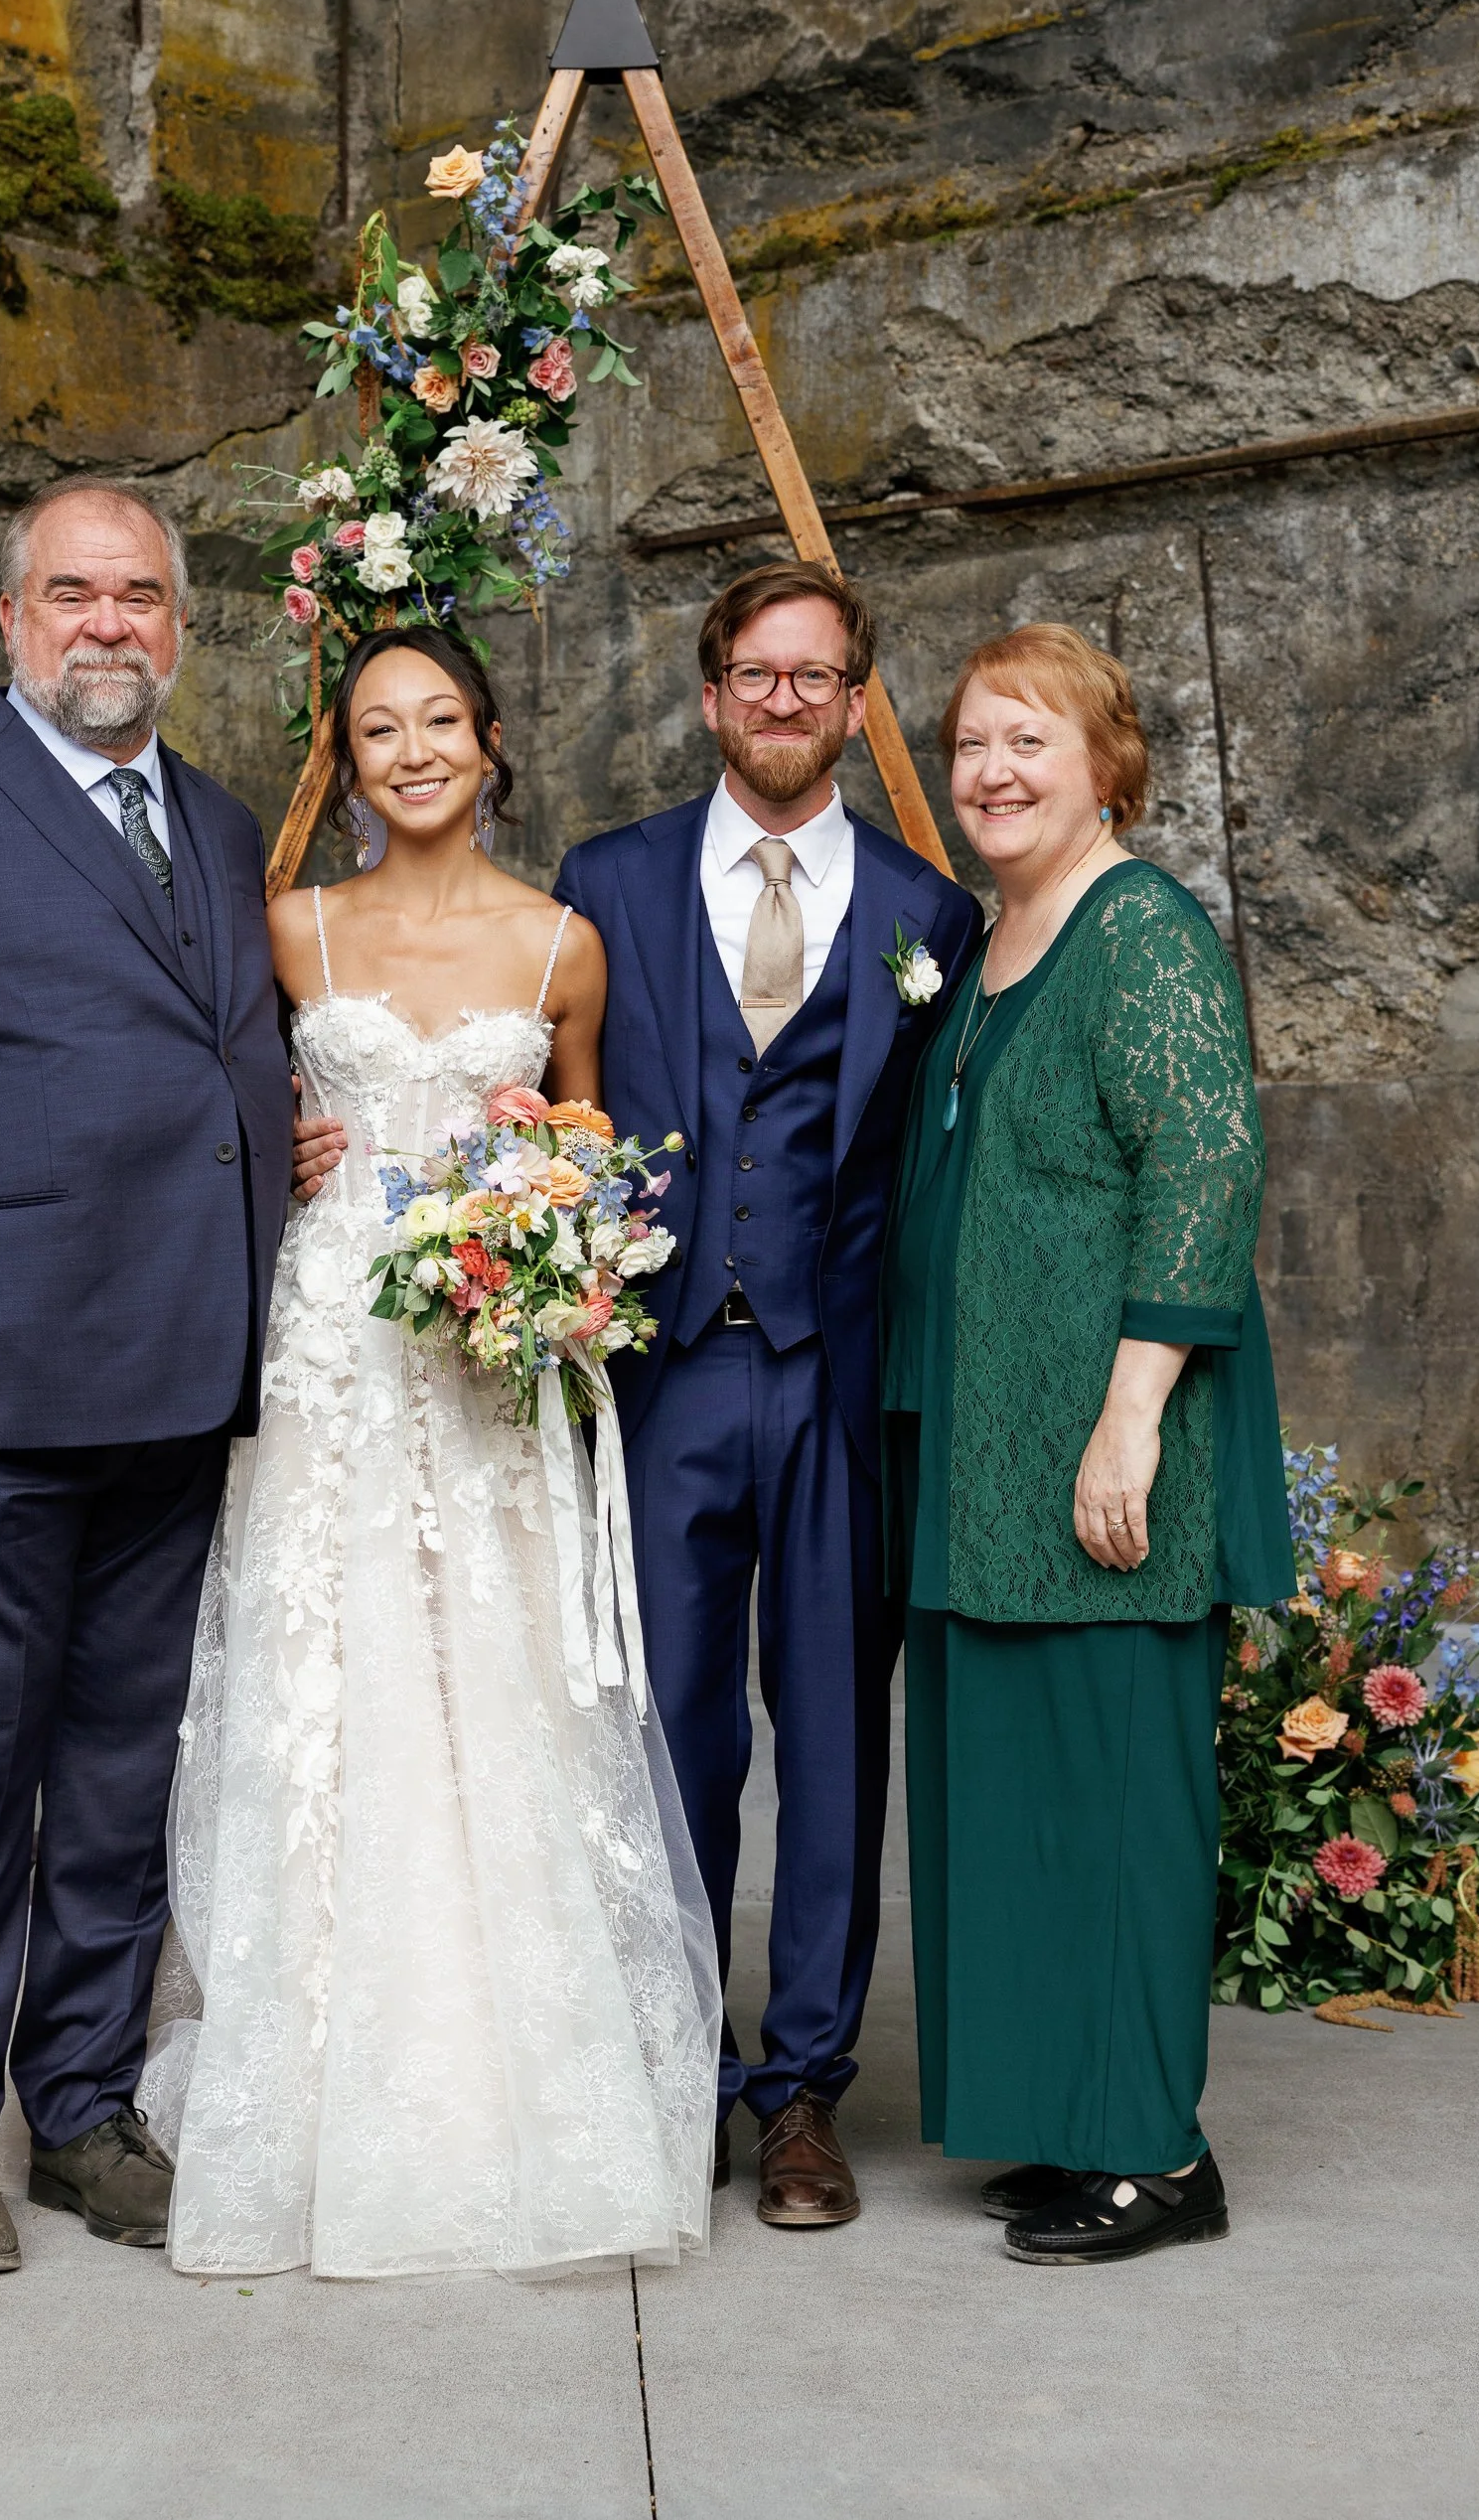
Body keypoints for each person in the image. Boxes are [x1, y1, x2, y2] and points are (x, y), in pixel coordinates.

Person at [0, 474, 323, 2275]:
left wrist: (283, 1141)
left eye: (143, 598)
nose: (111, 625)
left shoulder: (226, 821)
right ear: (14, 621)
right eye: (75, 595)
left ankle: (83, 2106)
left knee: (119, 1771)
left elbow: (206, 1053)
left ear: (179, 625)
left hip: (181, 1371)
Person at [144, 625, 720, 2281]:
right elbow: (217, 1115)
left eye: (439, 722)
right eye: (378, 728)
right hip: (328, 1347)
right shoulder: (289, 927)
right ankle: (299, 2080)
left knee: (491, 1699)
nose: (410, 751)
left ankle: (502, 2085)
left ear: (489, 744)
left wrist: (560, 1223)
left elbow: (592, 1148)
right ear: (351, 758)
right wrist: (284, 1134)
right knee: (320, 1690)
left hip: (480, 1370)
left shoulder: (563, 951)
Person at [553, 563, 981, 2227]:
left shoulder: (924, 914)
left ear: (856, 696)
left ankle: (802, 2087)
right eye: (757, 674)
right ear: (713, 695)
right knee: (665, 1737)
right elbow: (540, 1112)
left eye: (820, 676)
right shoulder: (609, 879)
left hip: (837, 1376)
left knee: (831, 1740)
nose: (787, 701)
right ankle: (672, 2058)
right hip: (664, 1375)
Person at [882, 622, 1293, 2264]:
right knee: (1019, 1798)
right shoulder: (997, 937)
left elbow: (1206, 1171)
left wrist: (1129, 1422)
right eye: (973, 743)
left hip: (1104, 1452)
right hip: (987, 1453)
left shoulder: (1143, 932)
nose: (990, 770)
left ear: (1105, 764)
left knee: (1119, 1798)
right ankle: (1069, 2118)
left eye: (1027, 743)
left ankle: (1156, 2155)